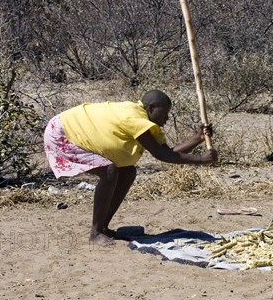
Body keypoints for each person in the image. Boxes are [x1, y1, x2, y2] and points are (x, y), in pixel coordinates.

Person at [43, 90, 218, 246]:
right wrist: (201, 159)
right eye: (164, 113)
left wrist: (198, 138)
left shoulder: (140, 117)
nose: (166, 118)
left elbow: (168, 152)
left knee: (128, 171)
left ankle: (103, 227)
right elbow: (162, 155)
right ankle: (95, 233)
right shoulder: (134, 119)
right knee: (109, 171)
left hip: (70, 129)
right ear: (151, 108)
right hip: (62, 133)